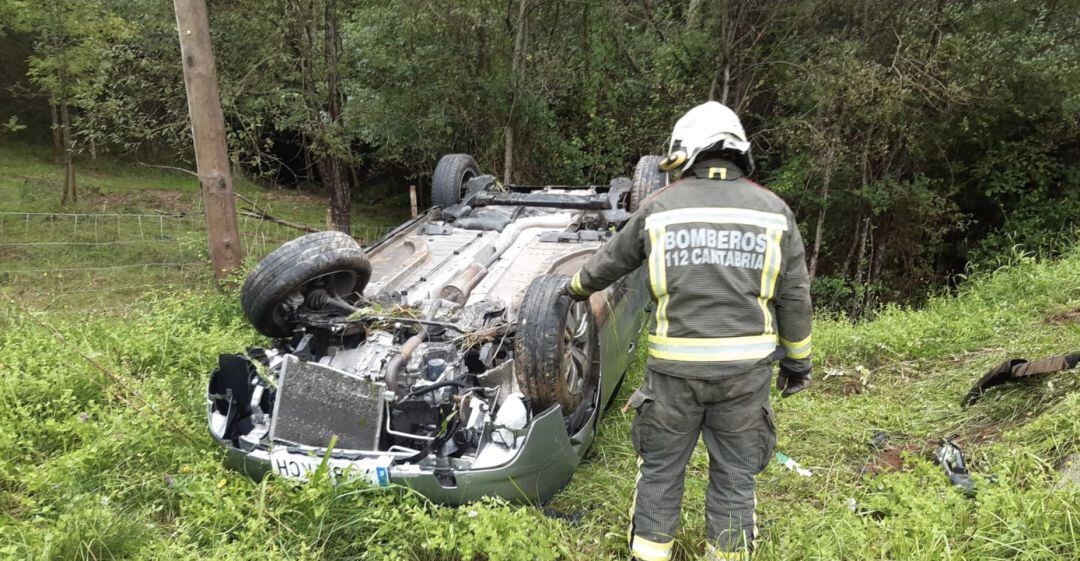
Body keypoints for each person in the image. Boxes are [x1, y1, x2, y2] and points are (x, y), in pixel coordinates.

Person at [563, 101, 812, 561]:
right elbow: (794, 298)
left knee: (660, 472)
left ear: (689, 154)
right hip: (746, 374)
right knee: (736, 476)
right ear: (738, 152)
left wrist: (571, 289)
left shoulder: (661, 207)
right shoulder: (775, 212)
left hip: (673, 375)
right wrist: (798, 364)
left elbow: (609, 263)